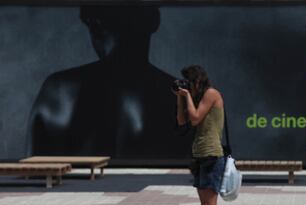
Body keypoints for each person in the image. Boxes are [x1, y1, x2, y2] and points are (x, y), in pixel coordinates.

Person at [26, 6, 190, 159]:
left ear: (94, 25)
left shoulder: (58, 91)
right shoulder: (180, 95)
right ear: (155, 21)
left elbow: (32, 176)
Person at [175, 65, 225, 205]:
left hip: (211, 155)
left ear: (197, 81)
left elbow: (195, 119)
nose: (186, 85)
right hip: (200, 156)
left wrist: (187, 96)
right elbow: (181, 121)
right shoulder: (195, 98)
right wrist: (181, 97)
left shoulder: (211, 94)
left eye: (188, 81)